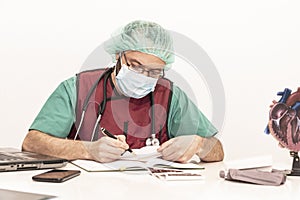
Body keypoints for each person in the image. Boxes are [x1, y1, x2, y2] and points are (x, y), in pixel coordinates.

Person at [22, 20, 224, 163]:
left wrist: (198, 144)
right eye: (135, 66)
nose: (144, 76)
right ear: (118, 55)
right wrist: (87, 150)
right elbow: (32, 143)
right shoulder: (79, 88)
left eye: (154, 72)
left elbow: (217, 151)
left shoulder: (170, 96)